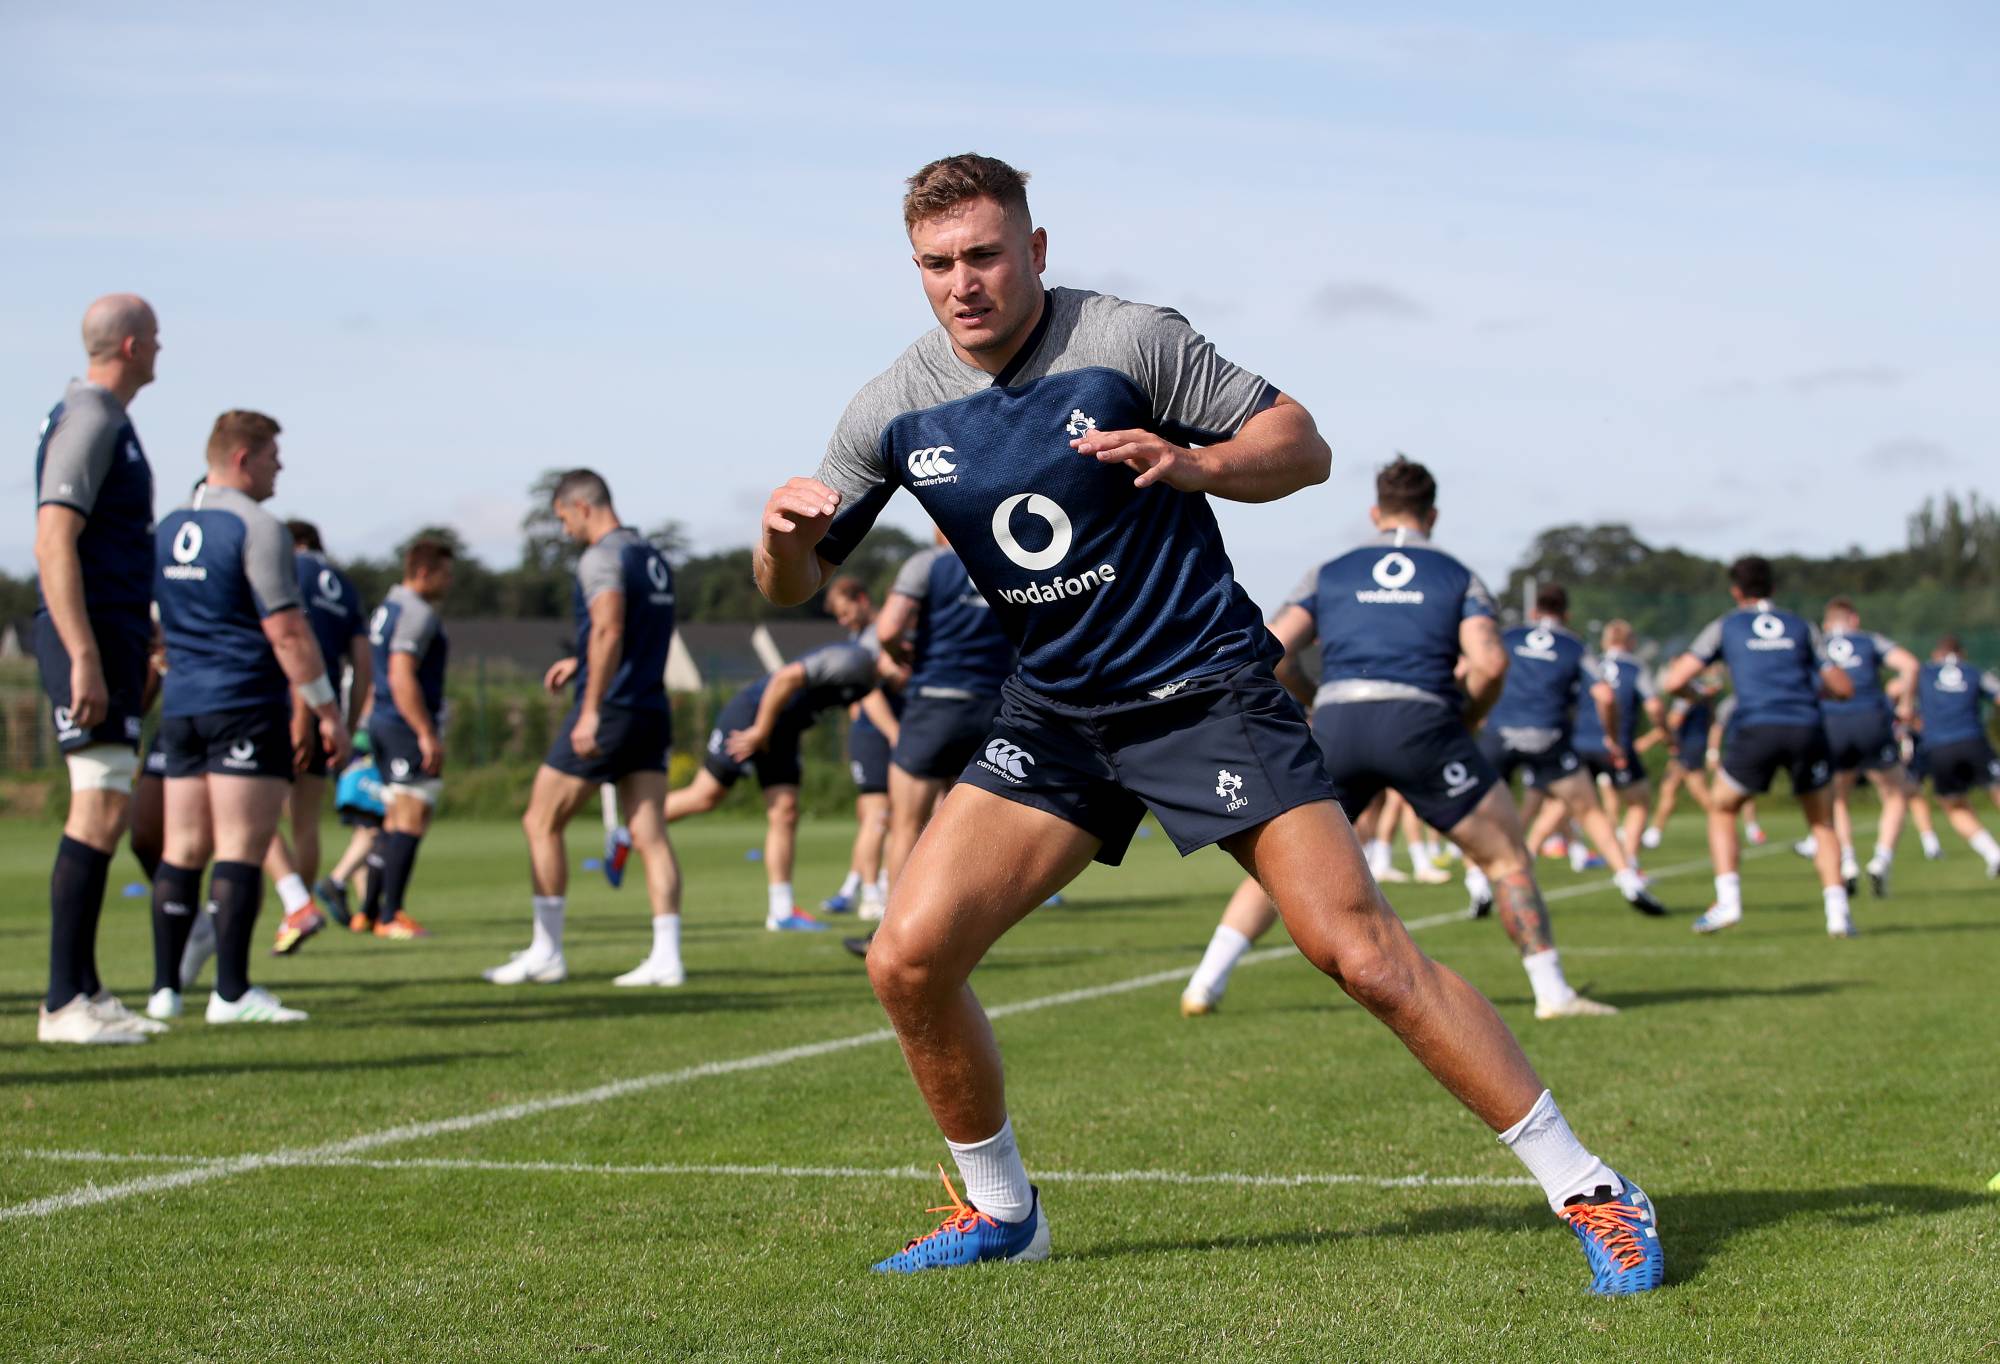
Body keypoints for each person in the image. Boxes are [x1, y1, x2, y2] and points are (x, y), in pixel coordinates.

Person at [753, 154, 1661, 1291]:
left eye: (984, 254)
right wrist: (784, 539)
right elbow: (788, 583)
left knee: (1362, 956)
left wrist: (1200, 462)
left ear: (1035, 250)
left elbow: (1302, 441)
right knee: (906, 956)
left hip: (1202, 689)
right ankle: (1000, 1211)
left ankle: (1589, 1185)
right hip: (1056, 713)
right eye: (935, 264)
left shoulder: (1127, 339)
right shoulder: (891, 404)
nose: (962, 283)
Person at [1181, 455, 1614, 1021]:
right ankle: (1552, 992)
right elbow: (1488, 660)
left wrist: (1314, 697)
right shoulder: (1457, 574)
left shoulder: (1330, 570)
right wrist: (1469, 717)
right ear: (1431, 514)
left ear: (1374, 512)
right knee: (1506, 856)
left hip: (1340, 724)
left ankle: (1205, 983)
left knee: (1288, 865)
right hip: (1423, 725)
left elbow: (1271, 642)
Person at [144, 411, 349, 1024]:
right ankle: (230, 993)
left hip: (181, 706)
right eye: (272, 458)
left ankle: (164, 990)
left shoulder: (168, 526)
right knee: (241, 845)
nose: (278, 469)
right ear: (242, 458)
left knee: (182, 849)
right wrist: (326, 710)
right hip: (241, 702)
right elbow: (287, 630)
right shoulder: (259, 527)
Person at [484, 470, 684, 986]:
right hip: (649, 708)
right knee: (649, 833)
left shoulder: (601, 556)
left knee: (540, 821)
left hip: (612, 709)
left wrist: (590, 707)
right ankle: (668, 957)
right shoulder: (651, 555)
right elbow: (631, 632)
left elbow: (610, 625)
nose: (565, 530)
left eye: (563, 519)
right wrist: (581, 659)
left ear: (581, 506)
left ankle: (546, 950)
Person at [32, 294, 164, 1044]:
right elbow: (54, 538)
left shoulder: (111, 419)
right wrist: (84, 651)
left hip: (113, 636)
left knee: (108, 805)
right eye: (156, 338)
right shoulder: (90, 418)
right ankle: (61, 1002)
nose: (161, 350)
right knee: (100, 806)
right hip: (86, 639)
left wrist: (139, 633)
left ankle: (85, 987)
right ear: (133, 344)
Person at [665, 581, 884, 932]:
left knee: (785, 812)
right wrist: (760, 731)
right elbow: (784, 679)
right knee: (705, 796)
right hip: (753, 715)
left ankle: (781, 912)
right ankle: (632, 831)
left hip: (783, 730)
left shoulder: (872, 664)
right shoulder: (853, 658)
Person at [1657, 556, 1854, 935]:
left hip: (1756, 727)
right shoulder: (1801, 625)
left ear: (1735, 591)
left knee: (1722, 808)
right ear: (1774, 589)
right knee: (1821, 822)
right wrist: (1809, 691)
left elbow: (1674, 681)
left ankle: (1728, 902)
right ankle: (1837, 913)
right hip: (1805, 727)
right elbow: (1843, 688)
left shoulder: (1725, 626)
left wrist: (1695, 695)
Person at [1482, 585, 1666, 916]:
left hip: (1501, 733)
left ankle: (1480, 883)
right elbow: (1606, 697)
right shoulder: (1574, 645)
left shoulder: (1509, 635)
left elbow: (1479, 668)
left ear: (1534, 612)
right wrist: (1612, 736)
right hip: (1549, 737)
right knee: (1590, 811)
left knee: (1482, 809)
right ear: (1566, 614)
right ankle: (1628, 879)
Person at [261, 519, 373, 953]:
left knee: (254, 818)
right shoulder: (344, 584)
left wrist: (299, 715)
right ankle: (296, 914)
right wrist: (344, 721)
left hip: (286, 705)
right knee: (306, 823)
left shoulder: (288, 571)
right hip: (328, 714)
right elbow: (363, 664)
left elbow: (291, 639)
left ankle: (294, 904)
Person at [356, 538, 454, 938]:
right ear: (424, 571)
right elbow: (400, 673)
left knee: (395, 818)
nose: (449, 583)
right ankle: (391, 914)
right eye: (446, 574)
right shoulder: (416, 612)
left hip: (382, 720)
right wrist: (425, 731)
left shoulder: (388, 606)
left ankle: (368, 911)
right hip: (402, 723)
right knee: (412, 816)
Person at [1815, 598, 1920, 896]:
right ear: (1854, 620)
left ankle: (1847, 861)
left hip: (1831, 723)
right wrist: (1907, 706)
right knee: (1896, 792)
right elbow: (1910, 665)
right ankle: (1881, 859)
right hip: (1870, 720)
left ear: (1827, 623)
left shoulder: (1817, 643)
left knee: (1837, 796)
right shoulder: (1869, 640)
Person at [1569, 621, 1670, 865]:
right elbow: (1654, 706)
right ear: (1631, 641)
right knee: (1639, 802)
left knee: (1562, 803)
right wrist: (1666, 732)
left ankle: (1564, 851)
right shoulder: (1634, 667)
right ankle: (1630, 863)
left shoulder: (1590, 664)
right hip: (1616, 745)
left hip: (1579, 742)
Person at [1911, 637, 2000, 877]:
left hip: (1938, 748)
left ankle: (1993, 853)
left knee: (1954, 806)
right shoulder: (1973, 672)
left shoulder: (1923, 672)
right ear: (1962, 654)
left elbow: (1896, 688)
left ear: (1935, 653)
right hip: (1974, 742)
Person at [1639, 669, 1722, 849]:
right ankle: (1654, 833)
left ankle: (1722, 824)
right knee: (1669, 789)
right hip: (1690, 748)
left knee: (1699, 792)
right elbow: (1713, 722)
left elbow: (1672, 722)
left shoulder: (1687, 696)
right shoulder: (1703, 696)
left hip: (1686, 749)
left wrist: (1646, 741)